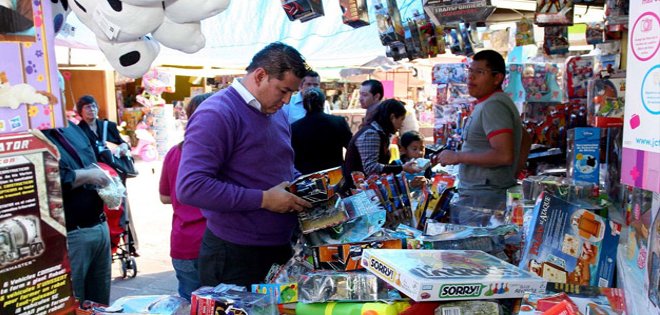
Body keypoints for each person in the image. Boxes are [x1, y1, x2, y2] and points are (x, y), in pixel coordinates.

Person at [176, 42, 313, 288]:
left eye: (292, 93)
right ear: (260, 75)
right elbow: (191, 187)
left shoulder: (276, 112)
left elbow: (279, 166)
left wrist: (304, 184)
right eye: (283, 90)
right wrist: (264, 199)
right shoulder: (217, 113)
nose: (287, 100)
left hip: (278, 248)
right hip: (235, 255)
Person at [437, 50, 531, 197]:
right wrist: (512, 174)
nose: (471, 77)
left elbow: (504, 155)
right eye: (470, 71)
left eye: (480, 72)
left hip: (484, 199)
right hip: (486, 193)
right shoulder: (491, 102)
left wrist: (458, 157)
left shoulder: (493, 105)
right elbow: (525, 137)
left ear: (497, 78)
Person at [42, 123, 112, 304]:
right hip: (72, 234)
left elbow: (92, 159)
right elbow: (49, 179)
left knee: (100, 301)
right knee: (74, 300)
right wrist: (87, 176)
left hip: (99, 226)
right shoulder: (32, 137)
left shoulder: (70, 128)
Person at [159, 93, 212, 301]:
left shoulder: (174, 152)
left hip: (182, 242)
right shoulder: (216, 151)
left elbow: (164, 197)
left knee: (189, 304)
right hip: (211, 244)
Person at [341, 99, 420, 191]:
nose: (402, 124)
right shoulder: (371, 134)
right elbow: (371, 168)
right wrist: (401, 168)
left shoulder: (380, 133)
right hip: (358, 192)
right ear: (392, 117)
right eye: (401, 119)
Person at [291, 87, 352, 175]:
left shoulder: (295, 127)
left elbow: (293, 157)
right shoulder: (338, 122)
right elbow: (351, 148)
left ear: (304, 105)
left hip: (307, 177)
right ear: (323, 103)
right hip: (335, 174)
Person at [76, 95, 131, 165]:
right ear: (80, 111)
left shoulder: (109, 126)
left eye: (94, 106)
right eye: (87, 107)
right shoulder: (78, 131)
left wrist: (124, 146)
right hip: (94, 169)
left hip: (115, 168)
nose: (92, 109)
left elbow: (121, 142)